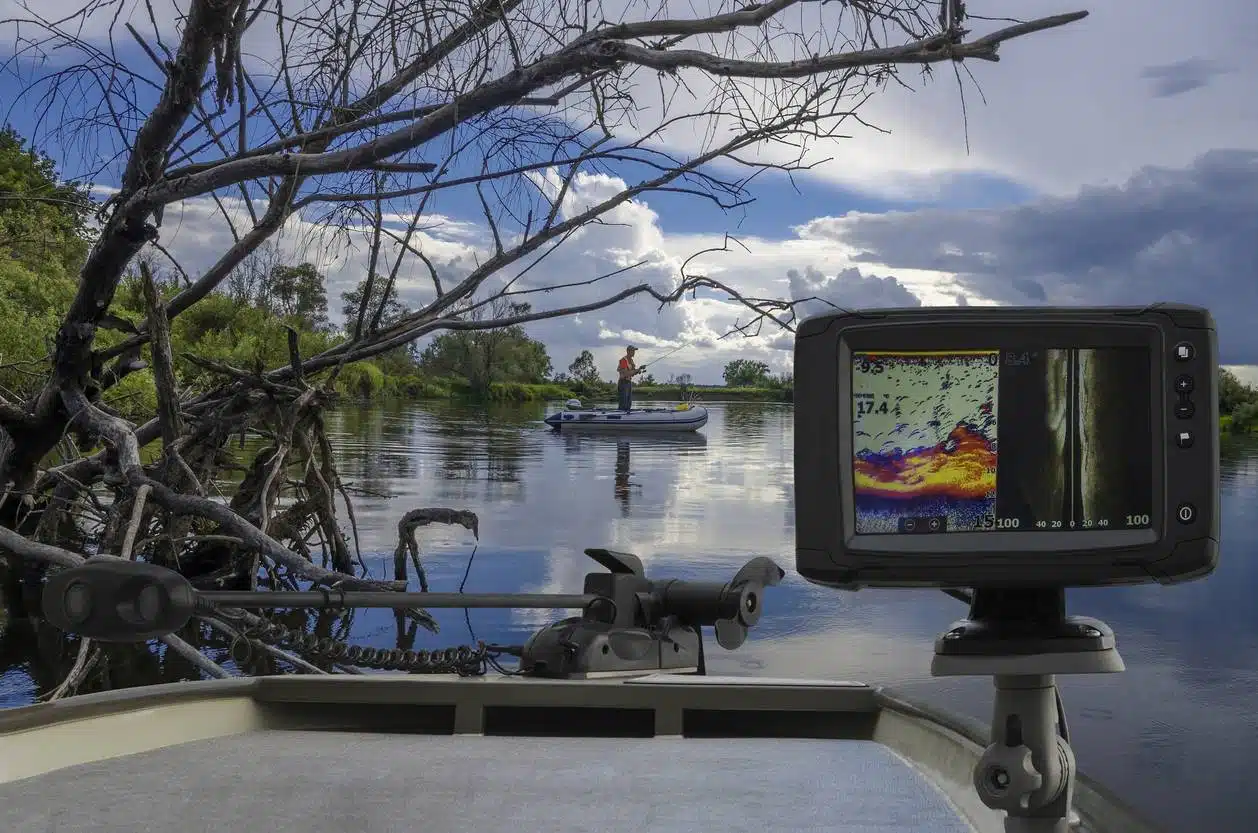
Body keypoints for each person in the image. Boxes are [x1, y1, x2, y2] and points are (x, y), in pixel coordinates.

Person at [616, 345, 643, 411]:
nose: (634, 352)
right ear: (628, 351)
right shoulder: (623, 360)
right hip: (623, 383)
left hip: (628, 383)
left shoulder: (631, 361)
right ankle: (621, 414)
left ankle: (627, 415)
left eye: (634, 351)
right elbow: (626, 373)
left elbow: (632, 373)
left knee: (628, 403)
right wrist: (636, 370)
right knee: (623, 402)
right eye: (632, 351)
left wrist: (639, 369)